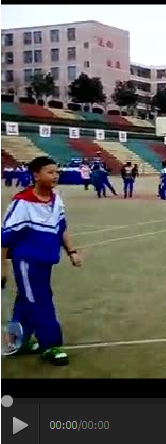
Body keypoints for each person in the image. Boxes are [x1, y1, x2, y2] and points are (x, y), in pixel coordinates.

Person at [1, 156, 83, 366]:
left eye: (57, 172)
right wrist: (2, 267)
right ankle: (51, 344)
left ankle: (17, 341)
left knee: (27, 299)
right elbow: (5, 237)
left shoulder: (56, 199)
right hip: (27, 261)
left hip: (45, 260)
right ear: (36, 175)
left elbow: (61, 227)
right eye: (50, 172)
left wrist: (72, 251)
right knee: (40, 299)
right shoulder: (23, 202)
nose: (55, 176)